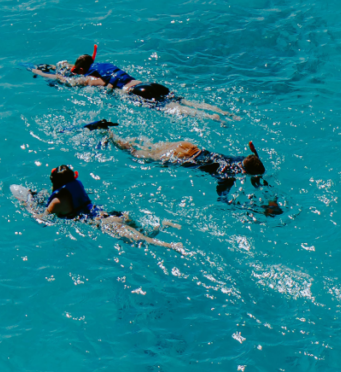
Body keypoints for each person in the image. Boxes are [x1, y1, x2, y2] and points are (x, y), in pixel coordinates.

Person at [103, 131, 283, 216]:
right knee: (142, 156)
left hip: (189, 147)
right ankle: (113, 139)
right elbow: (223, 199)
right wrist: (253, 209)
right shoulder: (227, 176)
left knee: (151, 147)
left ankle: (127, 138)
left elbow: (254, 167)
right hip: (182, 157)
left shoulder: (244, 159)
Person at [29, 54, 236, 123]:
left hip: (137, 93)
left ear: (81, 69)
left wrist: (39, 72)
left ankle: (214, 119)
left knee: (174, 109)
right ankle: (224, 113)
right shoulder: (106, 66)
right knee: (182, 100)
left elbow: (65, 80)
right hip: (146, 83)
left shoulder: (94, 79)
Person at [40, 164, 185, 252]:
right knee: (144, 233)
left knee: (142, 240)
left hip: (107, 224)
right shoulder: (76, 187)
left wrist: (26, 206)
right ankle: (163, 226)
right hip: (112, 215)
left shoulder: (56, 202)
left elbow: (42, 219)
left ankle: (172, 246)